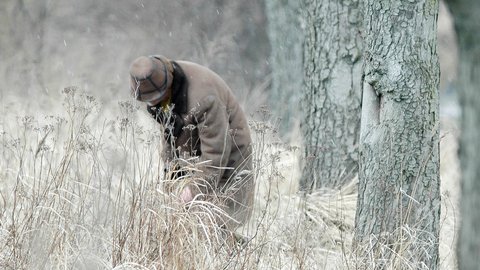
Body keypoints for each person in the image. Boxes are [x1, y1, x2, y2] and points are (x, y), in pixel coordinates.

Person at [129, 55, 254, 229]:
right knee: (187, 222)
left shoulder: (204, 98)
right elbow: (170, 137)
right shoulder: (164, 91)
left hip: (230, 151)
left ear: (166, 88)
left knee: (220, 221)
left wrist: (193, 191)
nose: (152, 104)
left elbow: (216, 154)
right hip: (195, 152)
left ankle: (236, 250)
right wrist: (172, 179)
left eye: (154, 98)